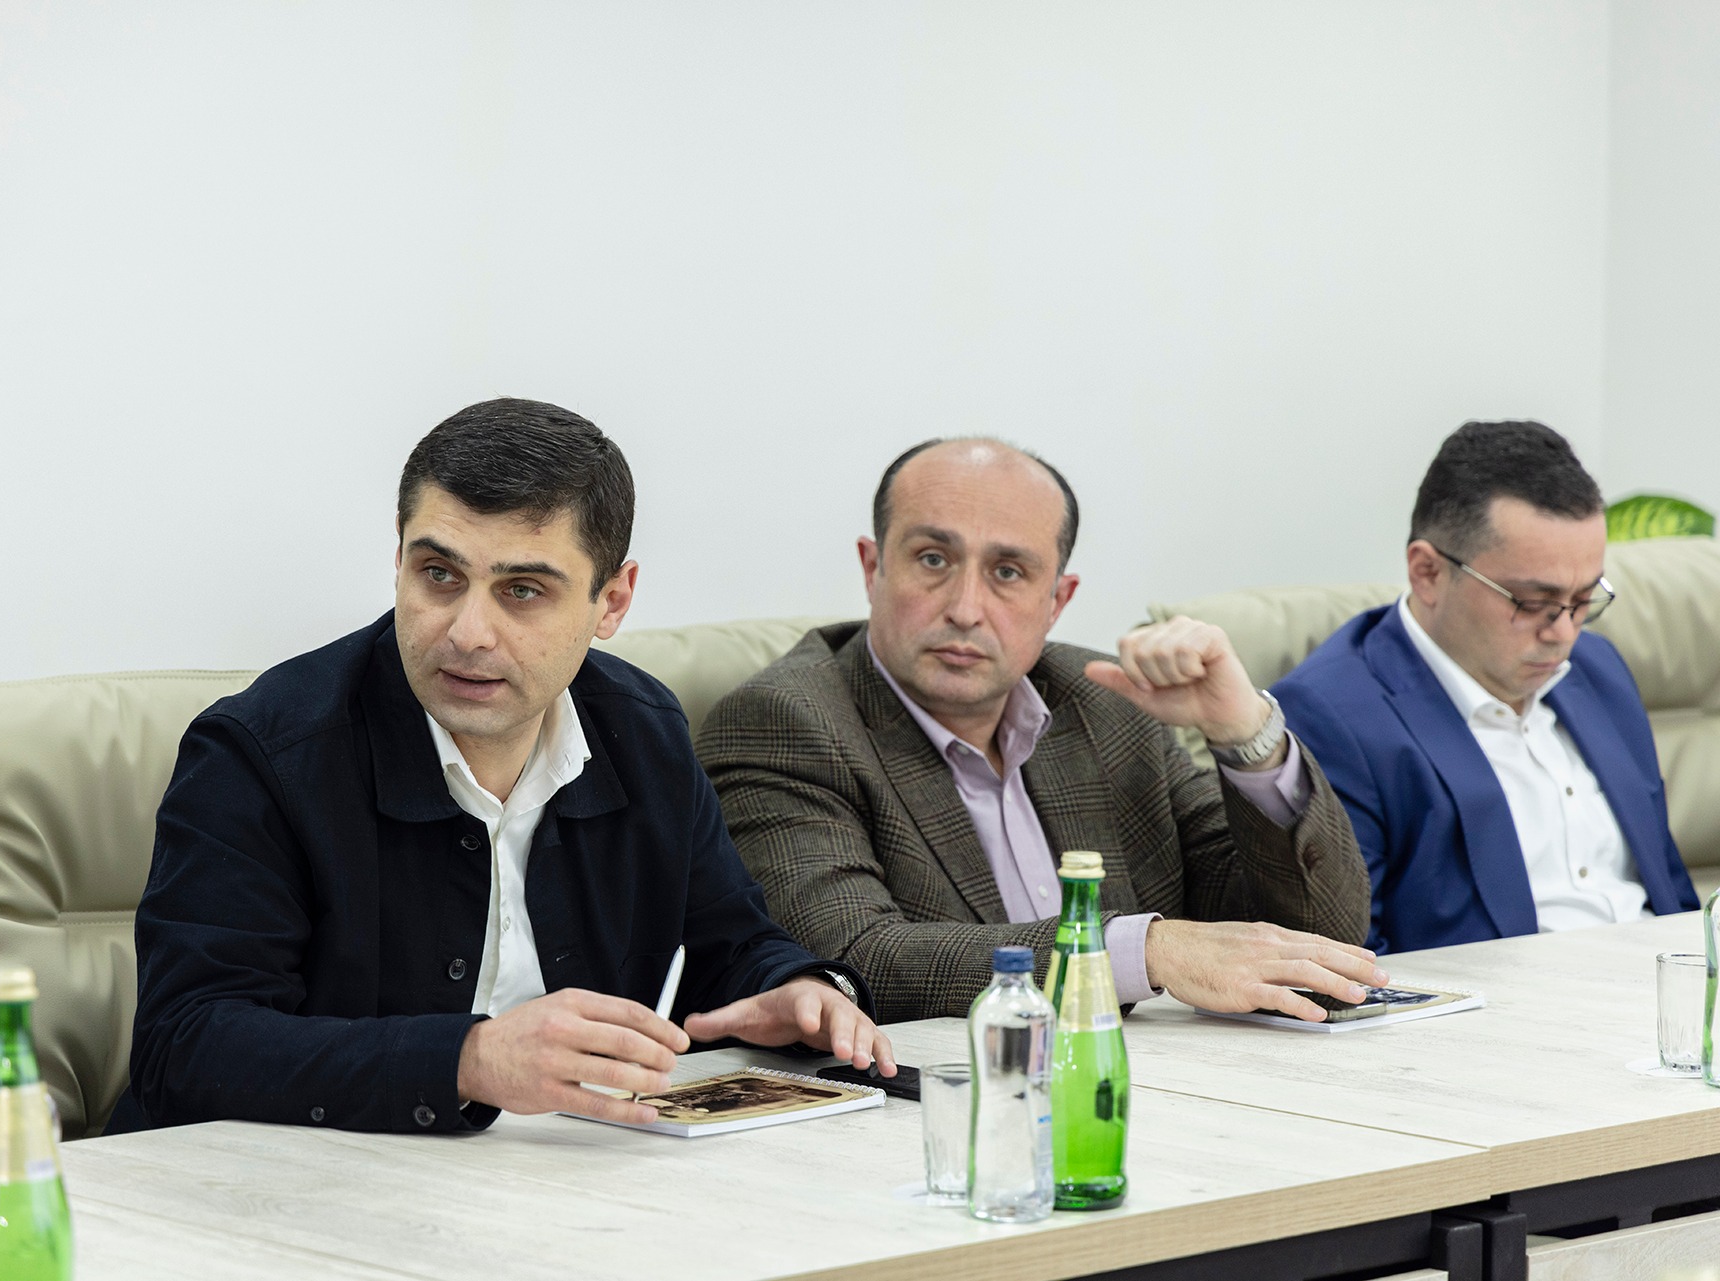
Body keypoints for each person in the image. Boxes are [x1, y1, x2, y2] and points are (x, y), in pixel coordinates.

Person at [112, 398, 893, 1138]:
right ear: (398, 559)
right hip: (275, 1195)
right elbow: (186, 1044)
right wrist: (468, 1059)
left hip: (558, 1187)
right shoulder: (260, 752)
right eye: (439, 575)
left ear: (612, 601)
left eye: (522, 590)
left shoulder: (641, 730)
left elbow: (727, 943)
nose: (468, 632)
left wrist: (798, 988)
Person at [696, 438, 1380, 1025]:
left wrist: (1247, 737)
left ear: (1058, 599)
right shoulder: (785, 722)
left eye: (1008, 572)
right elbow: (853, 959)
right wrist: (1141, 951)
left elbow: (1318, 942)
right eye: (932, 559)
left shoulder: (1105, 702)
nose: (966, 608)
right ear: (873, 568)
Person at [1273, 420, 1697, 953]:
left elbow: (1672, 894)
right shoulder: (1331, 714)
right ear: (1428, 572)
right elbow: (1349, 961)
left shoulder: (1597, 668)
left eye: (1584, 598)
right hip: (1510, 1000)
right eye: (1532, 602)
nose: (1564, 632)